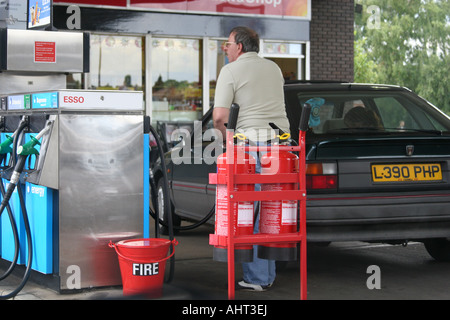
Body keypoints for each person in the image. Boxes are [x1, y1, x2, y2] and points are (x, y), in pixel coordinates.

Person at [213, 26, 290, 291]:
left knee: (249, 211)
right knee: (271, 212)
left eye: (228, 43)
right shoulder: (274, 69)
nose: (225, 47)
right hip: (282, 147)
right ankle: (266, 275)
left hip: (251, 146)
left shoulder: (230, 71)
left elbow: (220, 117)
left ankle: (257, 278)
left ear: (240, 47)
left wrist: (226, 140)